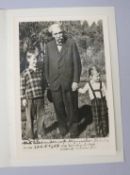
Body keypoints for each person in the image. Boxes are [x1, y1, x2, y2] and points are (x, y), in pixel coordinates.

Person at [45, 23, 82, 138]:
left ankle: (74, 129)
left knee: (72, 107)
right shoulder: (48, 46)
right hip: (55, 83)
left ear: (63, 32)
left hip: (69, 83)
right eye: (56, 33)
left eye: (60, 32)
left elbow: (77, 64)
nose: (59, 35)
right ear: (53, 35)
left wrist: (75, 80)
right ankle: (63, 128)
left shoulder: (71, 43)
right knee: (59, 108)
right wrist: (48, 82)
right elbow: (46, 65)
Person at [20, 48, 45, 139]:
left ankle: (40, 133)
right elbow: (22, 87)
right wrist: (23, 98)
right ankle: (30, 135)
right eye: (33, 59)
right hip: (29, 99)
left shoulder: (40, 71)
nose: (35, 61)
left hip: (40, 97)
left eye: (36, 59)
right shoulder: (25, 73)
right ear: (28, 59)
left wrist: (45, 91)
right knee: (29, 118)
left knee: (41, 116)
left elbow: (43, 83)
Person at [78, 66, 109, 137]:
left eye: (99, 75)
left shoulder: (102, 83)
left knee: (104, 117)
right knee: (97, 118)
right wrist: (78, 89)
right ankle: (98, 132)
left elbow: (106, 93)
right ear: (91, 77)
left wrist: (108, 101)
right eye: (97, 76)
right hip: (94, 104)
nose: (99, 77)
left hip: (102, 103)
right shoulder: (88, 84)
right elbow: (83, 91)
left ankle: (104, 132)